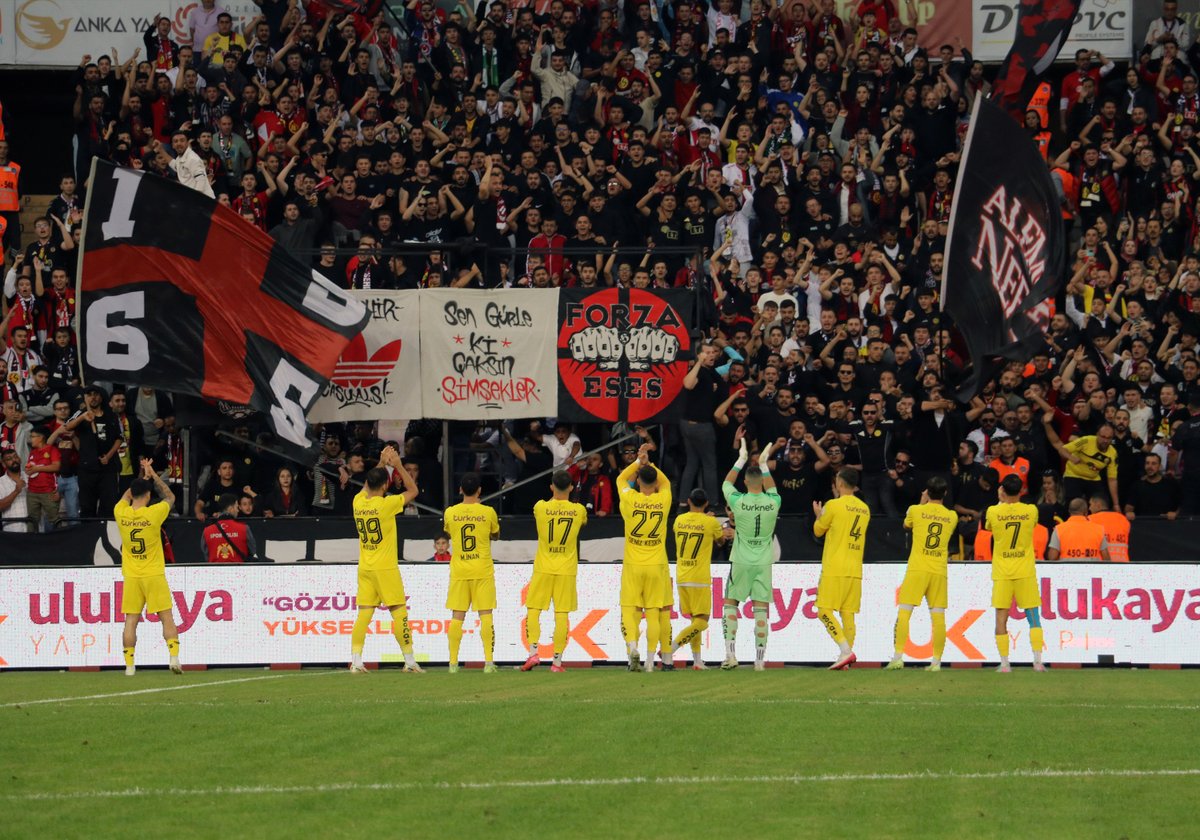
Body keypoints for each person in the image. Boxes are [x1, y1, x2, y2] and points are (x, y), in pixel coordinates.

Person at [350, 445, 422, 673]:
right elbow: (413, 491)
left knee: (364, 614)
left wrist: (381, 463)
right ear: (385, 486)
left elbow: (367, 485)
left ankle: (356, 661)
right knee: (399, 611)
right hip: (386, 568)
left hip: (365, 567)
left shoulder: (357, 502)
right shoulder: (386, 505)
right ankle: (409, 661)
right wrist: (397, 464)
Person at [720, 437, 783, 671]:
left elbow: (726, 484)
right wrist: (764, 464)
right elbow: (773, 488)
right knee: (760, 609)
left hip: (741, 561)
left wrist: (741, 459)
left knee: (730, 604)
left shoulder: (738, 501)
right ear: (762, 483)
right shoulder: (774, 502)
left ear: (745, 481)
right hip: (764, 562)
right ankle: (759, 661)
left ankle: (731, 654)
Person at [116, 458, 181, 676]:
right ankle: (173, 658)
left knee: (131, 621)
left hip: (132, 576)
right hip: (153, 573)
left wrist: (140, 479)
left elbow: (126, 496)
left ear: (132, 493)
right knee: (167, 617)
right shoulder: (153, 514)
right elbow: (171, 497)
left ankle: (129, 666)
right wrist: (152, 475)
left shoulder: (121, 513)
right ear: (149, 496)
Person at [887, 476, 958, 671]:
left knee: (904, 612)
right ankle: (936, 662)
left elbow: (906, 526)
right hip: (938, 570)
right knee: (938, 616)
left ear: (927, 491)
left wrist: (921, 502)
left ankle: (898, 657)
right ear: (945, 493)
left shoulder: (915, 510)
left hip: (917, 568)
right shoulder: (952, 516)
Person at [521, 470, 587, 672]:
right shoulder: (578, 510)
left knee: (533, 610)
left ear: (551, 487)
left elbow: (549, 506)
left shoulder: (540, 507)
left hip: (543, 567)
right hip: (566, 569)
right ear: (571, 487)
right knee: (561, 614)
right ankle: (557, 663)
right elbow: (583, 522)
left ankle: (533, 653)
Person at [616, 443, 672, 672]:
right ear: (655, 483)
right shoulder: (664, 499)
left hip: (633, 563)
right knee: (653, 613)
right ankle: (650, 661)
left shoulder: (629, 498)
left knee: (629, 609)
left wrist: (638, 462)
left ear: (638, 482)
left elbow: (621, 479)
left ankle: (632, 648)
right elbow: (666, 482)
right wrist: (648, 463)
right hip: (656, 563)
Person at [985, 474, 1045, 673]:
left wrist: (1001, 501)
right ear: (1021, 490)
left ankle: (1004, 664)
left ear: (1002, 489)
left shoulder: (993, 511)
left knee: (1001, 618)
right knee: (1033, 616)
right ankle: (1037, 662)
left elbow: (988, 528)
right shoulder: (1031, 510)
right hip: (1025, 569)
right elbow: (1033, 525)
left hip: (1003, 571)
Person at [813, 467, 870, 670]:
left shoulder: (833, 505)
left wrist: (819, 515)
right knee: (848, 614)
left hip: (835, 567)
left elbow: (818, 531)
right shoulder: (865, 509)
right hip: (855, 568)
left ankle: (846, 651)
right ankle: (846, 659)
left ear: (840, 483)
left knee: (823, 611)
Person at [444, 472, 501, 673]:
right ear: (479, 490)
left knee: (457, 617)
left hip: (460, 570)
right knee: (485, 615)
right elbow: (495, 534)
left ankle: (452, 664)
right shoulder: (488, 512)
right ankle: (488, 662)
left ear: (460, 489)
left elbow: (450, 532)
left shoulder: (450, 512)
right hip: (482, 569)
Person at [671, 488, 729, 670]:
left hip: (681, 575)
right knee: (702, 621)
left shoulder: (678, 520)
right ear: (706, 504)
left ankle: (697, 661)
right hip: (699, 577)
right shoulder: (710, 522)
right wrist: (711, 522)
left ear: (688, 501)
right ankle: (670, 648)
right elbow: (720, 542)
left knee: (694, 620)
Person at [1045, 498, 1111, 563]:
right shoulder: (1098, 529)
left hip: (1067, 571)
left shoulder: (1059, 529)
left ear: (1069, 512)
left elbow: (1052, 557)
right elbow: (1106, 558)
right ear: (1086, 512)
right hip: (1091, 572)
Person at [23, 425, 60, 531]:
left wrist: (37, 469)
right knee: (32, 520)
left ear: (41, 437)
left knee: (54, 520)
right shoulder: (32, 452)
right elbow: (31, 468)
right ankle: (31, 543)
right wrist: (29, 470)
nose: (31, 439)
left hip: (48, 491)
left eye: (33, 436)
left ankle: (59, 542)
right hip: (32, 492)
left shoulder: (52, 450)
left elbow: (56, 466)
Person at [201, 493, 258, 562]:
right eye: (236, 507)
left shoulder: (207, 531)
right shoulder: (244, 529)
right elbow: (253, 551)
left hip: (215, 571)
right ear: (231, 509)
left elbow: (206, 556)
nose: (238, 510)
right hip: (239, 571)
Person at [1087, 494, 1129, 562]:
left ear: (1098, 504)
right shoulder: (1124, 519)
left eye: (1090, 504)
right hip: (1123, 563)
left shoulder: (1090, 520)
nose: (1089, 508)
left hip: (1101, 564)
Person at [0, 448, 27, 532]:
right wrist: (16, 491)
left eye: (15, 457)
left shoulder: (30, 476)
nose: (14, 460)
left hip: (35, 528)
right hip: (13, 531)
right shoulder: (1, 482)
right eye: (9, 459)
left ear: (20, 459)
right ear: (4, 464)